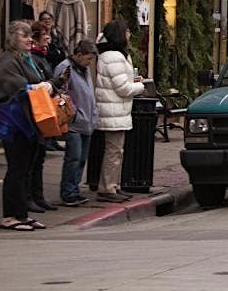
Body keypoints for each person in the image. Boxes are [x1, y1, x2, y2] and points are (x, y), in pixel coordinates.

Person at [0, 21, 64, 231]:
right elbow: (17, 86)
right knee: (17, 168)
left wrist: (50, 84)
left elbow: (36, 83)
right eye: (25, 36)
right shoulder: (7, 60)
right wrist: (43, 86)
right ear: (13, 38)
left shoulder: (26, 58)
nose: (30, 39)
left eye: (30, 35)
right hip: (12, 122)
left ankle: (21, 214)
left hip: (27, 121)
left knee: (26, 168)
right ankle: (10, 216)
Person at [94, 21, 146, 203]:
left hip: (117, 110)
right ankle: (108, 187)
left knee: (116, 151)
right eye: (127, 31)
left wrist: (134, 80)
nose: (129, 34)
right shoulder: (113, 56)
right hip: (113, 110)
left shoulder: (114, 55)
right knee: (113, 151)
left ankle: (113, 185)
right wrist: (140, 86)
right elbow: (122, 87)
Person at [53, 40, 98, 207]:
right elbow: (60, 94)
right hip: (74, 122)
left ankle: (75, 188)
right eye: (87, 59)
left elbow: (89, 94)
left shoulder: (84, 70)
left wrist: (94, 115)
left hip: (87, 121)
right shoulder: (65, 68)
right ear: (78, 55)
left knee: (81, 158)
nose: (89, 63)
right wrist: (72, 115)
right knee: (73, 157)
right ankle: (68, 191)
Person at [26, 19, 57, 212]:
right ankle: (29, 196)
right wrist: (50, 83)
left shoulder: (42, 57)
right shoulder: (32, 59)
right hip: (35, 111)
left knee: (40, 157)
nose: (48, 38)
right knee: (32, 159)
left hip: (43, 110)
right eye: (44, 34)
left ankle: (37, 195)